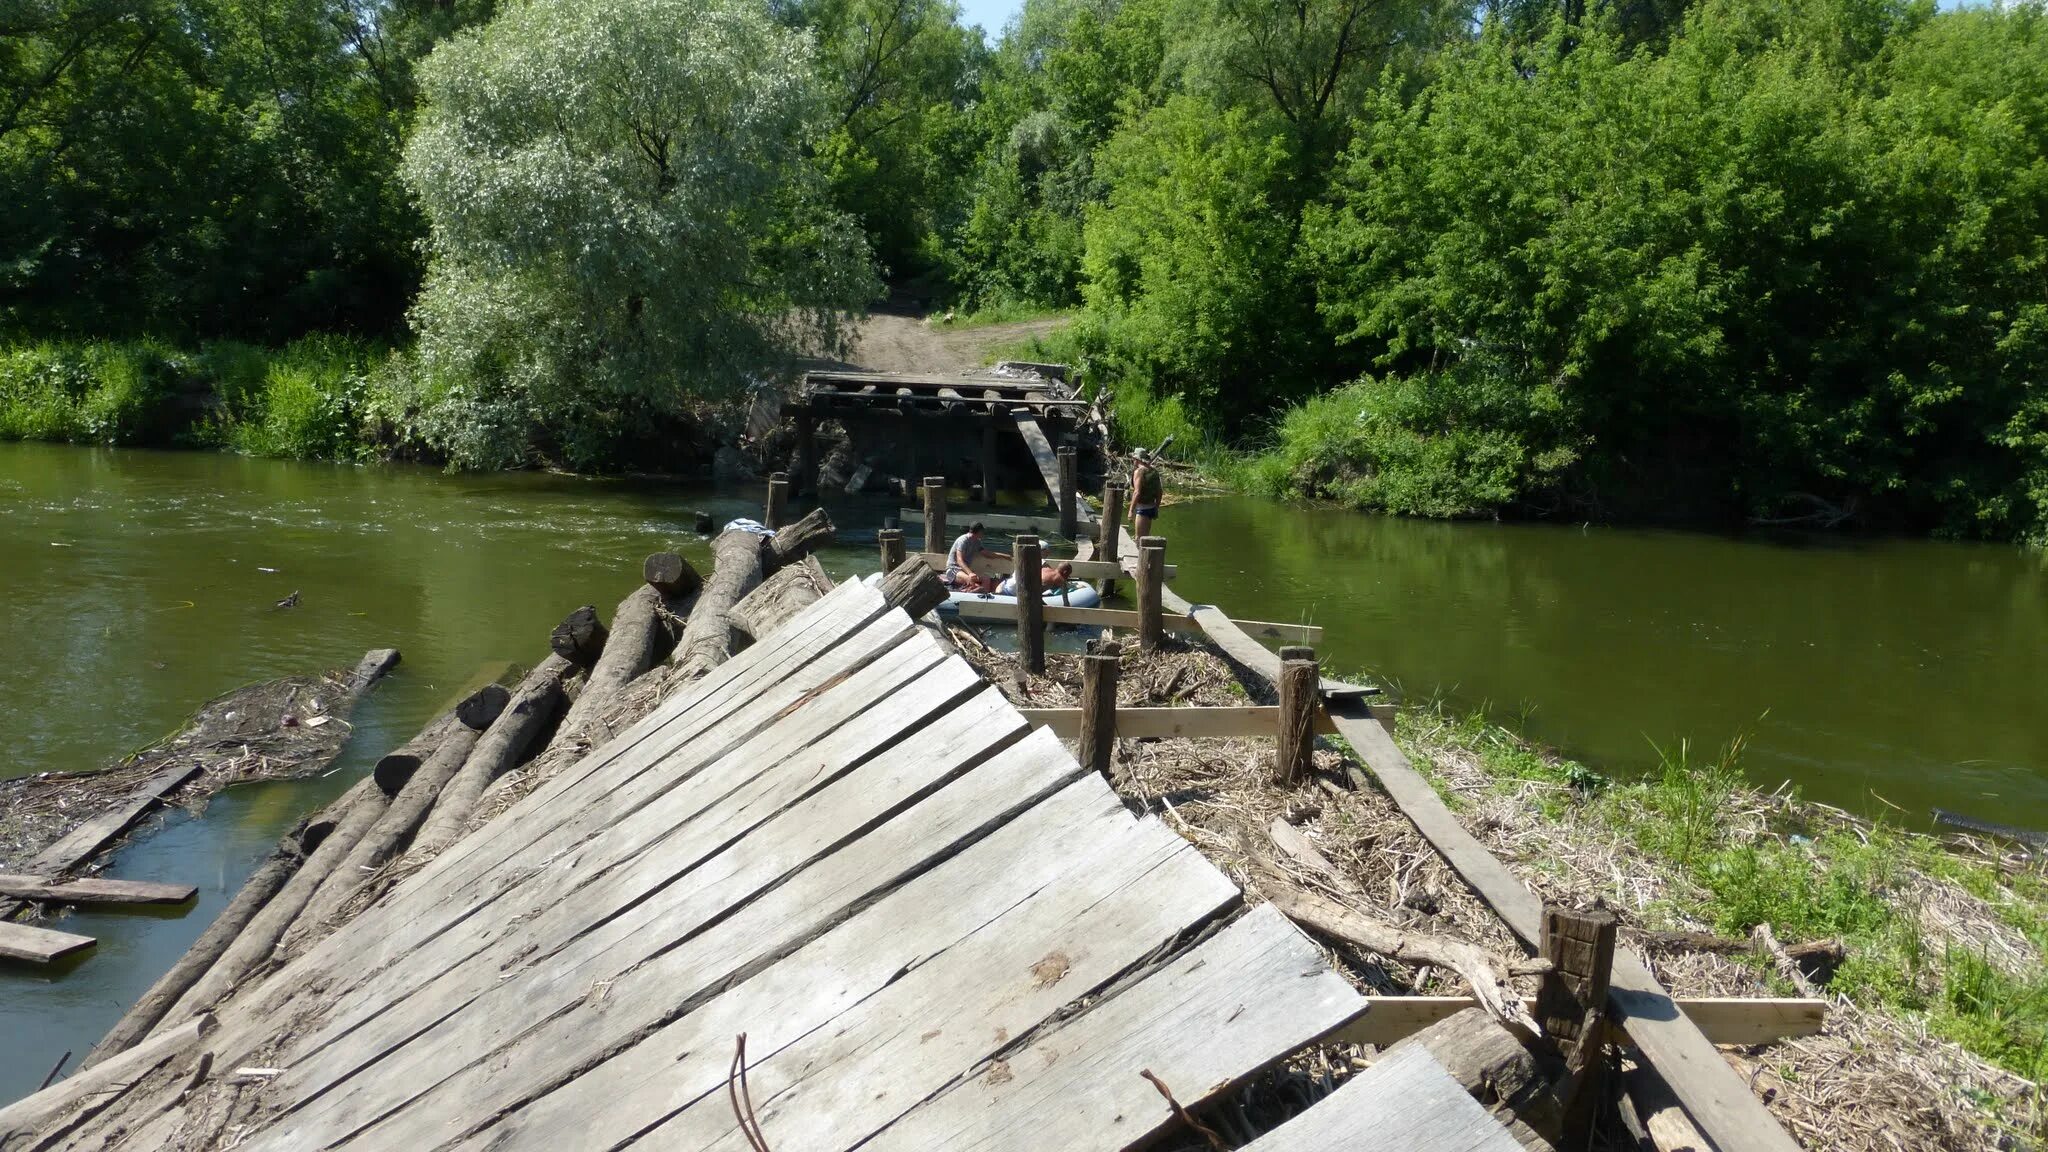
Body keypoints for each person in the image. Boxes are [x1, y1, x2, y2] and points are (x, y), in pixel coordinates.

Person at [944, 522, 1007, 593]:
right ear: (979, 532)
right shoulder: (963, 540)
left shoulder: (977, 542)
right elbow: (959, 560)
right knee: (972, 582)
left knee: (986, 579)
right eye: (982, 532)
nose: (983, 534)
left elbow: (986, 553)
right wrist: (970, 573)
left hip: (965, 571)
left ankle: (983, 598)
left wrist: (1004, 556)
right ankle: (972, 595)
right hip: (953, 570)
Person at [1130, 448, 1163, 541]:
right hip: (1151, 507)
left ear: (1137, 459)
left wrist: (1131, 510)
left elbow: (1137, 492)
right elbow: (1160, 492)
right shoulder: (1154, 472)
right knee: (1145, 537)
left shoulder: (1139, 472)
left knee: (1139, 538)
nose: (1132, 460)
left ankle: (1140, 555)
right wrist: (1156, 508)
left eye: (1133, 458)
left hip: (1142, 509)